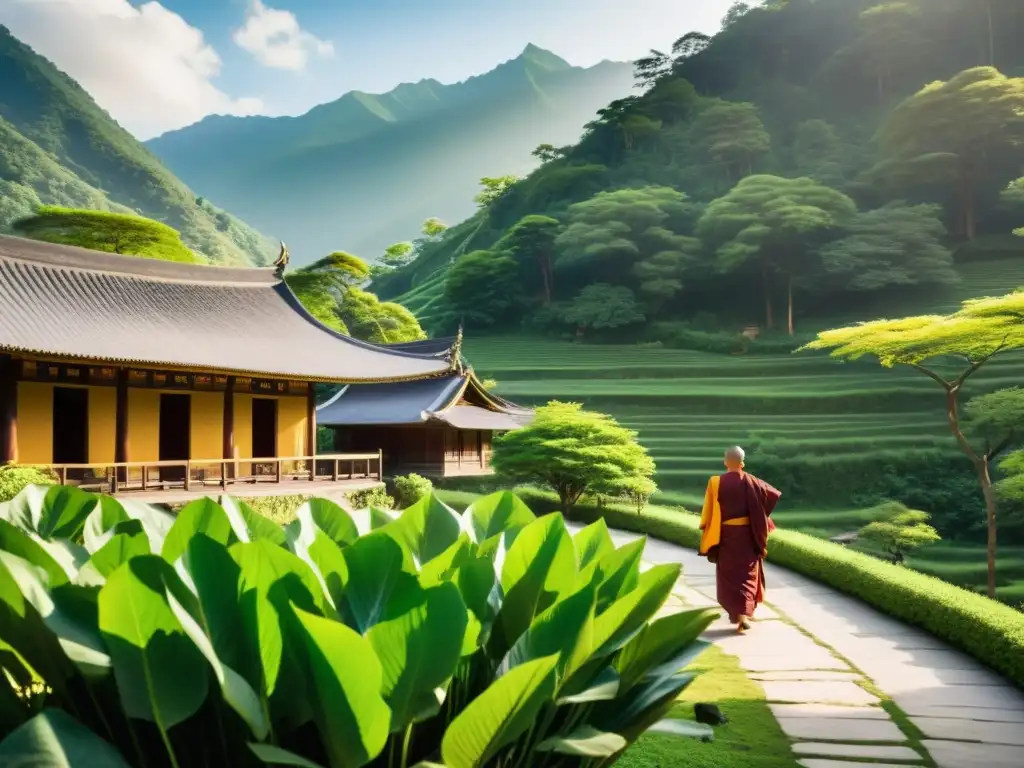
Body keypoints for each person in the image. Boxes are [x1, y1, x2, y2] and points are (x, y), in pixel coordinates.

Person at [698, 446, 781, 634]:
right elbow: (773, 495)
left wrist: (707, 530)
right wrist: (759, 515)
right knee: (748, 575)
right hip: (749, 535)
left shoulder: (715, 482)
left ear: (725, 462)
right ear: (742, 462)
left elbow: (709, 513)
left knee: (730, 576)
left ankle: (740, 615)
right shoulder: (753, 481)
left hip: (727, 535)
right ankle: (745, 614)